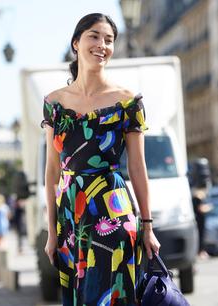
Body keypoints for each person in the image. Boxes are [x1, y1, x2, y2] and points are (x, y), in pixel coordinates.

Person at [41, 13, 160, 305]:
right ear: (76, 43)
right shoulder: (54, 103)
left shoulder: (128, 101)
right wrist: (51, 232)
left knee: (109, 295)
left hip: (112, 210)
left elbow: (137, 167)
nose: (102, 45)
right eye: (94, 36)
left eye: (109, 40)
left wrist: (148, 225)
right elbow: (52, 170)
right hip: (71, 215)